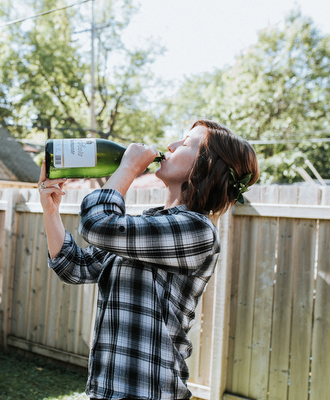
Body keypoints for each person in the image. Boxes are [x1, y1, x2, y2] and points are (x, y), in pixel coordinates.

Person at [38, 119, 259, 400]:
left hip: (149, 392)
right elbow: (75, 267)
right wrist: (50, 210)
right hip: (107, 389)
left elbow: (98, 224)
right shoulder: (150, 223)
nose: (171, 145)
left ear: (206, 166)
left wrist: (128, 168)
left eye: (186, 143)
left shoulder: (197, 231)